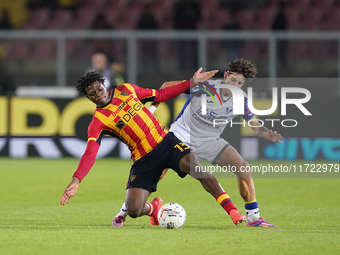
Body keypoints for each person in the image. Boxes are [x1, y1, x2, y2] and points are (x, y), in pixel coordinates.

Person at [60, 70, 248, 228]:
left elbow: (160, 95)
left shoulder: (126, 90)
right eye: (92, 94)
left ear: (104, 85)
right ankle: (154, 209)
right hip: (143, 160)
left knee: (199, 171)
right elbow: (91, 152)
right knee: (133, 210)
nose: (98, 94)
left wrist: (191, 83)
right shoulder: (97, 122)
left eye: (99, 89)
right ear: (88, 98)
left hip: (167, 143)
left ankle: (233, 212)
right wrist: (76, 180)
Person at [113, 59, 281, 227]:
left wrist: (267, 134)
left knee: (242, 166)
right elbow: (165, 86)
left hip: (210, 140)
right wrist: (151, 110)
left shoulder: (240, 99)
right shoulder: (205, 87)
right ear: (225, 75)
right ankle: (124, 211)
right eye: (233, 80)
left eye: (240, 83)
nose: (235, 85)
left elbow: (254, 126)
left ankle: (253, 217)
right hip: (182, 134)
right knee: (159, 171)